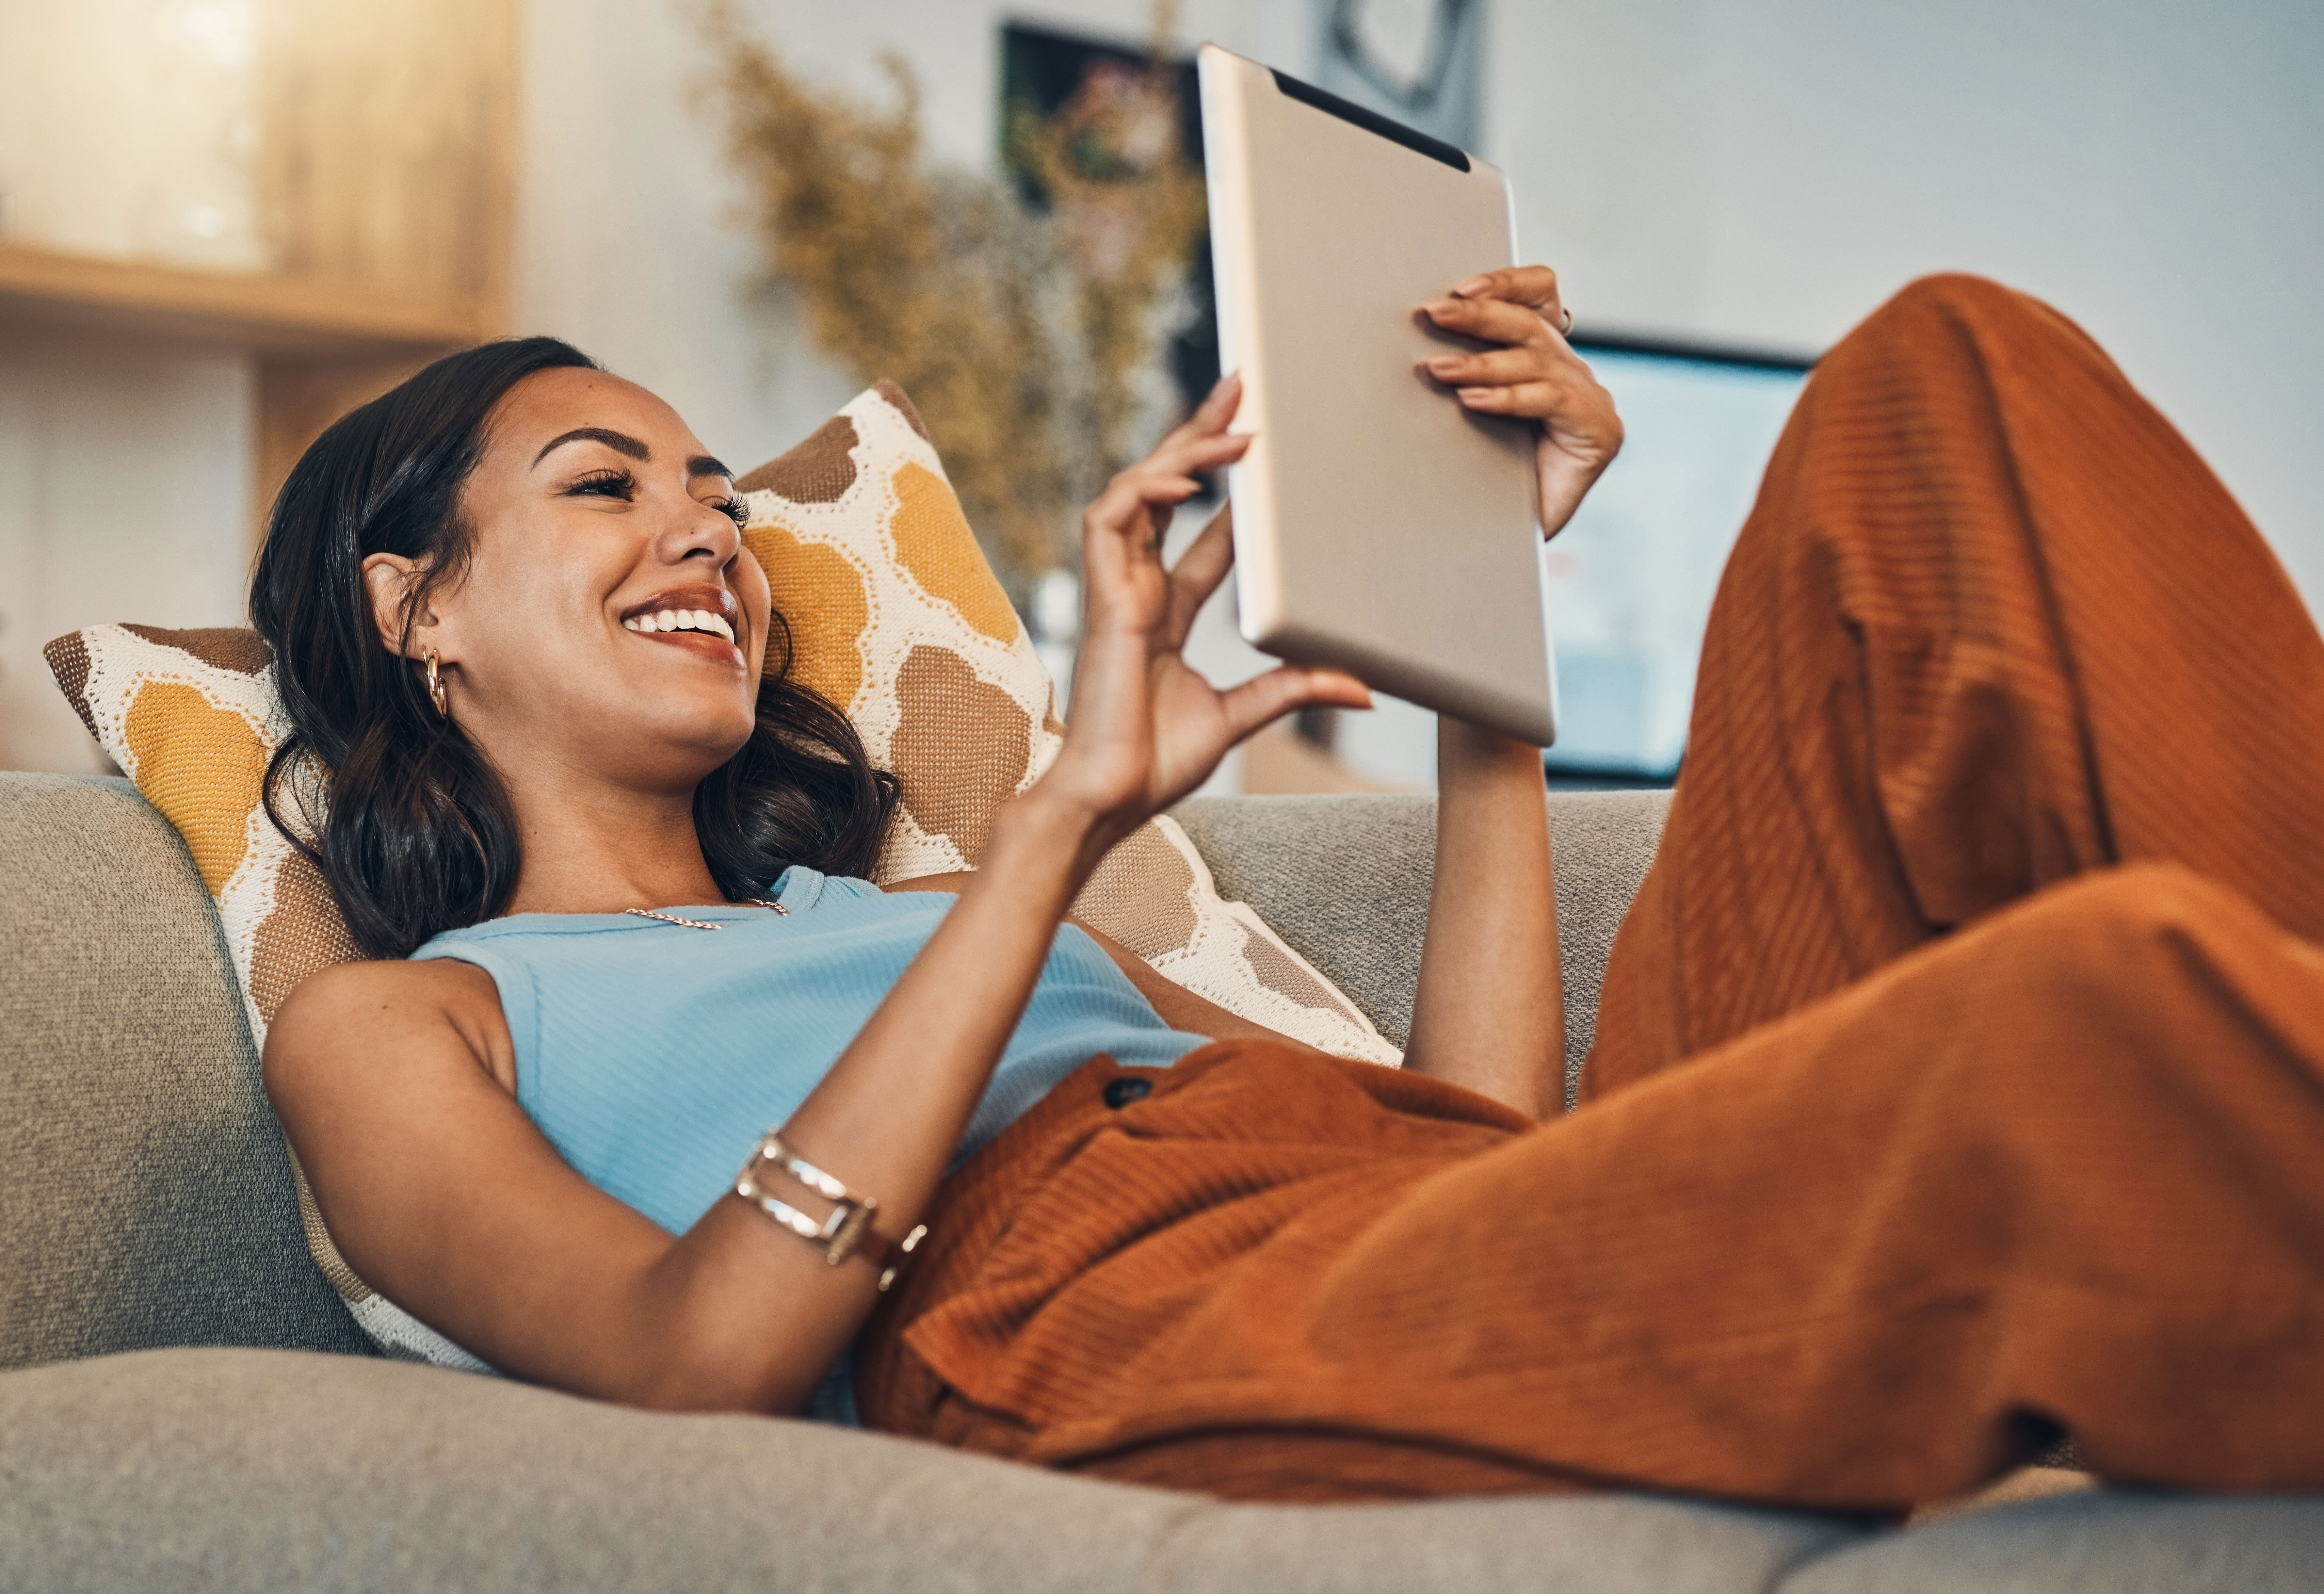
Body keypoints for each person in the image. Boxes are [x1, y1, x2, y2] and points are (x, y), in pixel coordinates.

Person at [257, 267, 2324, 1514]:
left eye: (717, 493)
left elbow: (1479, 1151)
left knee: (1945, 385)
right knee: (2092, 1016)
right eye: (607, 486)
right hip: (1088, 1322)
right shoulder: (411, 1020)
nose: (706, 534)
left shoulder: (899, 916)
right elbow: (691, 1357)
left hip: (1411, 1222)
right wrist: (1060, 821)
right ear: (415, 605)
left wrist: (1472, 625)